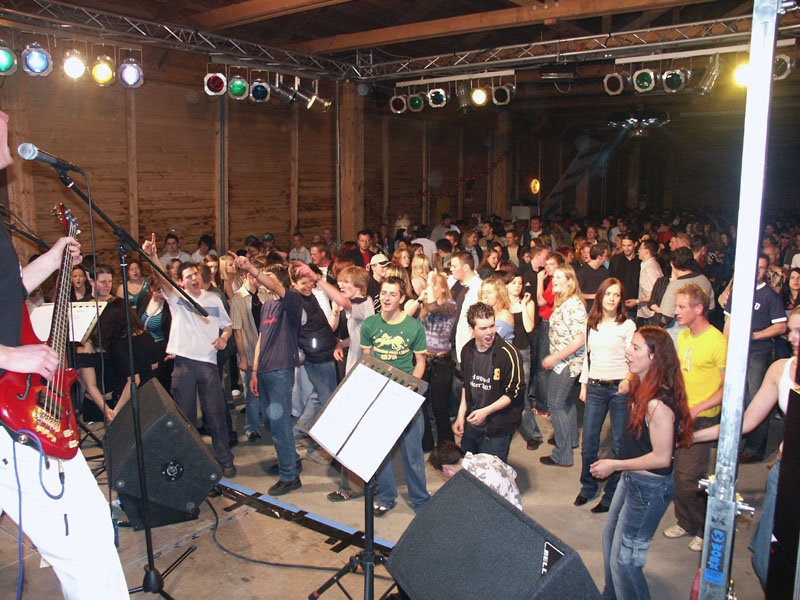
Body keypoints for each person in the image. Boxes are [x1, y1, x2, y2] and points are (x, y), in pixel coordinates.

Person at [0, 109, 129, 599]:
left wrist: (51, 260)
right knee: (85, 545)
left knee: (92, 528)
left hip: (23, 400)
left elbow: (7, 293)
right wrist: (11, 357)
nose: (7, 116)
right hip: (10, 410)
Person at [694, 305, 800, 590]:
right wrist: (693, 437)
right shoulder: (780, 370)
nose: (792, 337)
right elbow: (743, 423)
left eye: (799, 331)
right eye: (791, 330)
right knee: (765, 560)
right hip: (783, 474)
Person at [591, 326, 693, 600]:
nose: (628, 351)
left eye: (636, 348)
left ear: (654, 357)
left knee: (625, 563)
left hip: (649, 489)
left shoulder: (657, 404)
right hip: (633, 479)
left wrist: (615, 465)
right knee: (610, 539)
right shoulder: (642, 386)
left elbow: (661, 458)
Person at [142, 236, 237, 478]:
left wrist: (224, 337)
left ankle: (225, 459)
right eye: (188, 277)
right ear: (181, 283)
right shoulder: (177, 299)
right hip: (183, 363)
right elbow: (162, 279)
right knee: (186, 416)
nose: (193, 278)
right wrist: (152, 256)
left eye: (195, 274)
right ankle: (192, 462)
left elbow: (227, 325)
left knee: (215, 413)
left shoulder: (214, 299)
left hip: (208, 363)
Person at [661, 283, 726, 553]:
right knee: (677, 474)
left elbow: (727, 388)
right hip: (681, 414)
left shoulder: (717, 342)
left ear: (699, 309)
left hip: (703, 420)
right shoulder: (685, 336)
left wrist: (699, 408)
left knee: (690, 477)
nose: (676, 311)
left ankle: (703, 528)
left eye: (681, 307)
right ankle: (685, 522)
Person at [233, 256, 305, 496]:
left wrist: (251, 269)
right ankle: (291, 460)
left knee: (281, 423)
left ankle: (289, 476)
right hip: (263, 370)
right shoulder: (266, 306)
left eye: (268, 276)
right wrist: (254, 371)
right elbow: (261, 339)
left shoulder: (290, 301)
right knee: (273, 422)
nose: (263, 280)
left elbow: (273, 285)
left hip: (280, 370)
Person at [361, 276, 429, 516]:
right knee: (380, 452)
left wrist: (411, 387)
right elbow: (366, 359)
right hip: (379, 395)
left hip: (406, 395)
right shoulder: (369, 325)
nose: (387, 298)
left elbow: (420, 362)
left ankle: (421, 500)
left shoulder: (414, 327)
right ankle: (387, 497)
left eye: (392, 294)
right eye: (384, 293)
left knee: (413, 454)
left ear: (402, 298)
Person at [575, 278, 636, 513]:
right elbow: (587, 357)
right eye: (608, 294)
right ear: (600, 297)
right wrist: (583, 385)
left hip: (619, 389)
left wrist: (628, 380)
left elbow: (634, 358)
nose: (612, 298)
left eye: (616, 295)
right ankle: (588, 486)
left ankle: (612, 494)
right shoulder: (591, 324)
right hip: (595, 387)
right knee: (589, 443)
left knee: (619, 444)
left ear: (621, 299)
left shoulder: (627, 326)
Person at [454, 302, 524, 463]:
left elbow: (513, 393)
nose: (490, 332)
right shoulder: (467, 351)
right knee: (469, 466)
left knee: (492, 471)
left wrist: (485, 412)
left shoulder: (508, 354)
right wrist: (461, 415)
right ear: (471, 329)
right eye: (483, 328)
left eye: (492, 326)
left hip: (497, 427)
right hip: (472, 423)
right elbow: (467, 385)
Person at [540, 265, 586, 468]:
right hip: (563, 361)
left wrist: (554, 358)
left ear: (570, 281)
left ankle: (562, 455)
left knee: (555, 404)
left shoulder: (574, 305)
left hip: (567, 362)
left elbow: (580, 339)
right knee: (566, 402)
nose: (554, 280)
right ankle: (571, 440)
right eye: (554, 277)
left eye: (559, 277)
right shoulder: (564, 301)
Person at [428, 440, 523, 510]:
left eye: (441, 474)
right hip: (515, 504)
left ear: (445, 468)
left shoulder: (471, 483)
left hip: (505, 516)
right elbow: (513, 474)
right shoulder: (485, 456)